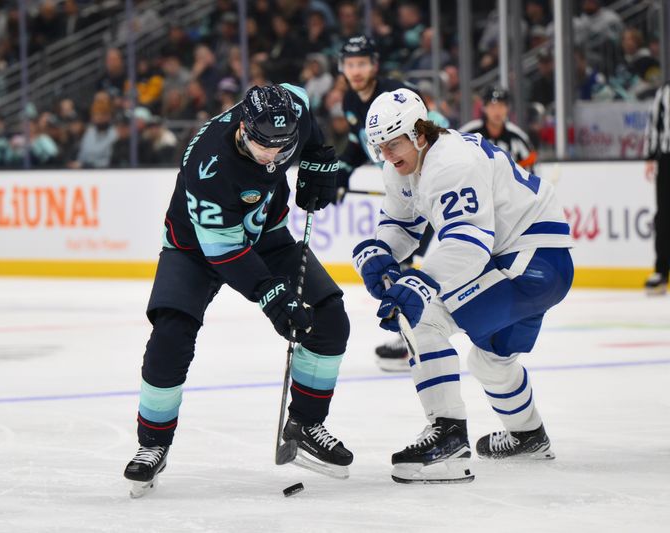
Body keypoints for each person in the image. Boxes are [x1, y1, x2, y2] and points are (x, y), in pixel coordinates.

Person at [123, 84, 353, 497]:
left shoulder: (290, 115)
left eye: (284, 150)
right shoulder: (209, 165)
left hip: (267, 234)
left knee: (330, 317)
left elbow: (306, 115)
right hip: (195, 247)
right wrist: (272, 296)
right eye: (265, 148)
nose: (274, 158)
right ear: (244, 128)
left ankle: (305, 423)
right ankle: (152, 443)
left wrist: (318, 156)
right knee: (171, 335)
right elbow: (224, 252)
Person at [352, 88, 573, 483]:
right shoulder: (405, 164)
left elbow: (468, 242)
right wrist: (377, 251)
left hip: (529, 263)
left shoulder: (450, 163)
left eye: (393, 143)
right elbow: (402, 226)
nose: (386, 153)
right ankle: (529, 435)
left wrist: (421, 283)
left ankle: (448, 441)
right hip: (537, 263)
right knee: (488, 360)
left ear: (419, 133)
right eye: (380, 146)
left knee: (422, 315)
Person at [335, 35, 442, 371]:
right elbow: (357, 146)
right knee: (403, 258)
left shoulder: (395, 93)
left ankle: (416, 337)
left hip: (426, 177)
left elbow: (430, 131)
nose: (356, 70)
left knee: (409, 259)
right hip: (401, 178)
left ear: (374, 65)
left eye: (362, 63)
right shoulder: (351, 101)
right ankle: (412, 335)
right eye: (350, 64)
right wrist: (342, 173)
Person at [460, 86, 538, 172]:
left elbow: (531, 167)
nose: (497, 111)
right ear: (484, 108)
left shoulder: (518, 136)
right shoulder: (469, 133)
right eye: (492, 106)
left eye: (501, 106)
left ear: (507, 108)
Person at [643, 80, 670, 294]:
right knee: (665, 216)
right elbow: (654, 124)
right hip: (667, 158)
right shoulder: (664, 91)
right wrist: (651, 156)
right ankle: (661, 271)